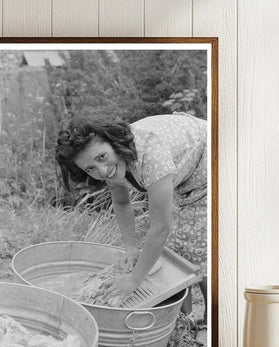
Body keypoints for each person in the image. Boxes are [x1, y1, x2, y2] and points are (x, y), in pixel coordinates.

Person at [56, 113, 208, 323]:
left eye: (101, 158)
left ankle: (213, 322)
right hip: (184, 173)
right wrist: (130, 247)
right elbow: (121, 202)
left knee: (202, 249)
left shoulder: (152, 157)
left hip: (212, 161)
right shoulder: (112, 162)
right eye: (90, 168)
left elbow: (161, 228)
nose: (102, 171)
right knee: (174, 249)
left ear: (114, 143)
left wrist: (134, 279)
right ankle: (182, 318)